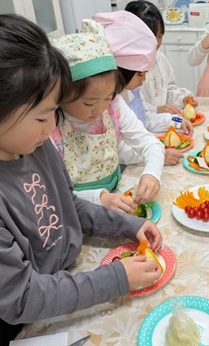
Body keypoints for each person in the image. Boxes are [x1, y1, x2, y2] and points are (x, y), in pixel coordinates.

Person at [0, 14, 163, 345]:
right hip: (7, 322)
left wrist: (125, 226)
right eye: (42, 116)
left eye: (55, 113)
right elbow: (20, 296)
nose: (50, 127)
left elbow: (66, 204)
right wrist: (114, 279)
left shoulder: (30, 143)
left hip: (61, 283)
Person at [50, 18, 165, 213]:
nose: (100, 109)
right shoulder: (50, 127)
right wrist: (99, 198)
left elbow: (150, 143)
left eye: (107, 97)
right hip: (76, 211)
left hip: (117, 197)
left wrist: (152, 173)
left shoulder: (114, 106)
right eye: (89, 103)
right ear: (61, 95)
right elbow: (52, 193)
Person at [94, 10, 192, 167]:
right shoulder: (109, 103)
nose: (144, 79)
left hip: (145, 155)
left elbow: (148, 119)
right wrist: (158, 155)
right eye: (140, 74)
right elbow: (120, 150)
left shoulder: (132, 92)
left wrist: (177, 120)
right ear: (123, 72)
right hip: (130, 163)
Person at [125, 0, 199, 115]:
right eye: (150, 37)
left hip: (162, 123)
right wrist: (156, 110)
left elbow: (169, 89)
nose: (156, 43)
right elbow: (129, 107)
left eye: (159, 36)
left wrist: (181, 99)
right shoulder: (126, 68)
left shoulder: (160, 58)